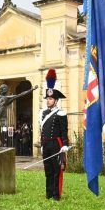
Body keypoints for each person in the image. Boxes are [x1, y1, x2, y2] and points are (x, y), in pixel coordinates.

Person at [40, 70, 69, 200]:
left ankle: (56, 195)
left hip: (56, 144)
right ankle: (48, 193)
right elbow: (42, 131)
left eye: (50, 99)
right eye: (47, 98)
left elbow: (64, 130)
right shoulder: (43, 113)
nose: (48, 101)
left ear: (56, 101)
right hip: (46, 144)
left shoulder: (61, 113)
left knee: (56, 170)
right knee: (48, 170)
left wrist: (65, 144)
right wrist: (41, 144)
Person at [0, 83, 38, 150]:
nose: (4, 89)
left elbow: (21, 94)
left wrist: (31, 89)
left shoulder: (9, 97)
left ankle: (0, 139)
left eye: (5, 88)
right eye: (2, 88)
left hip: (2, 108)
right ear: (0, 90)